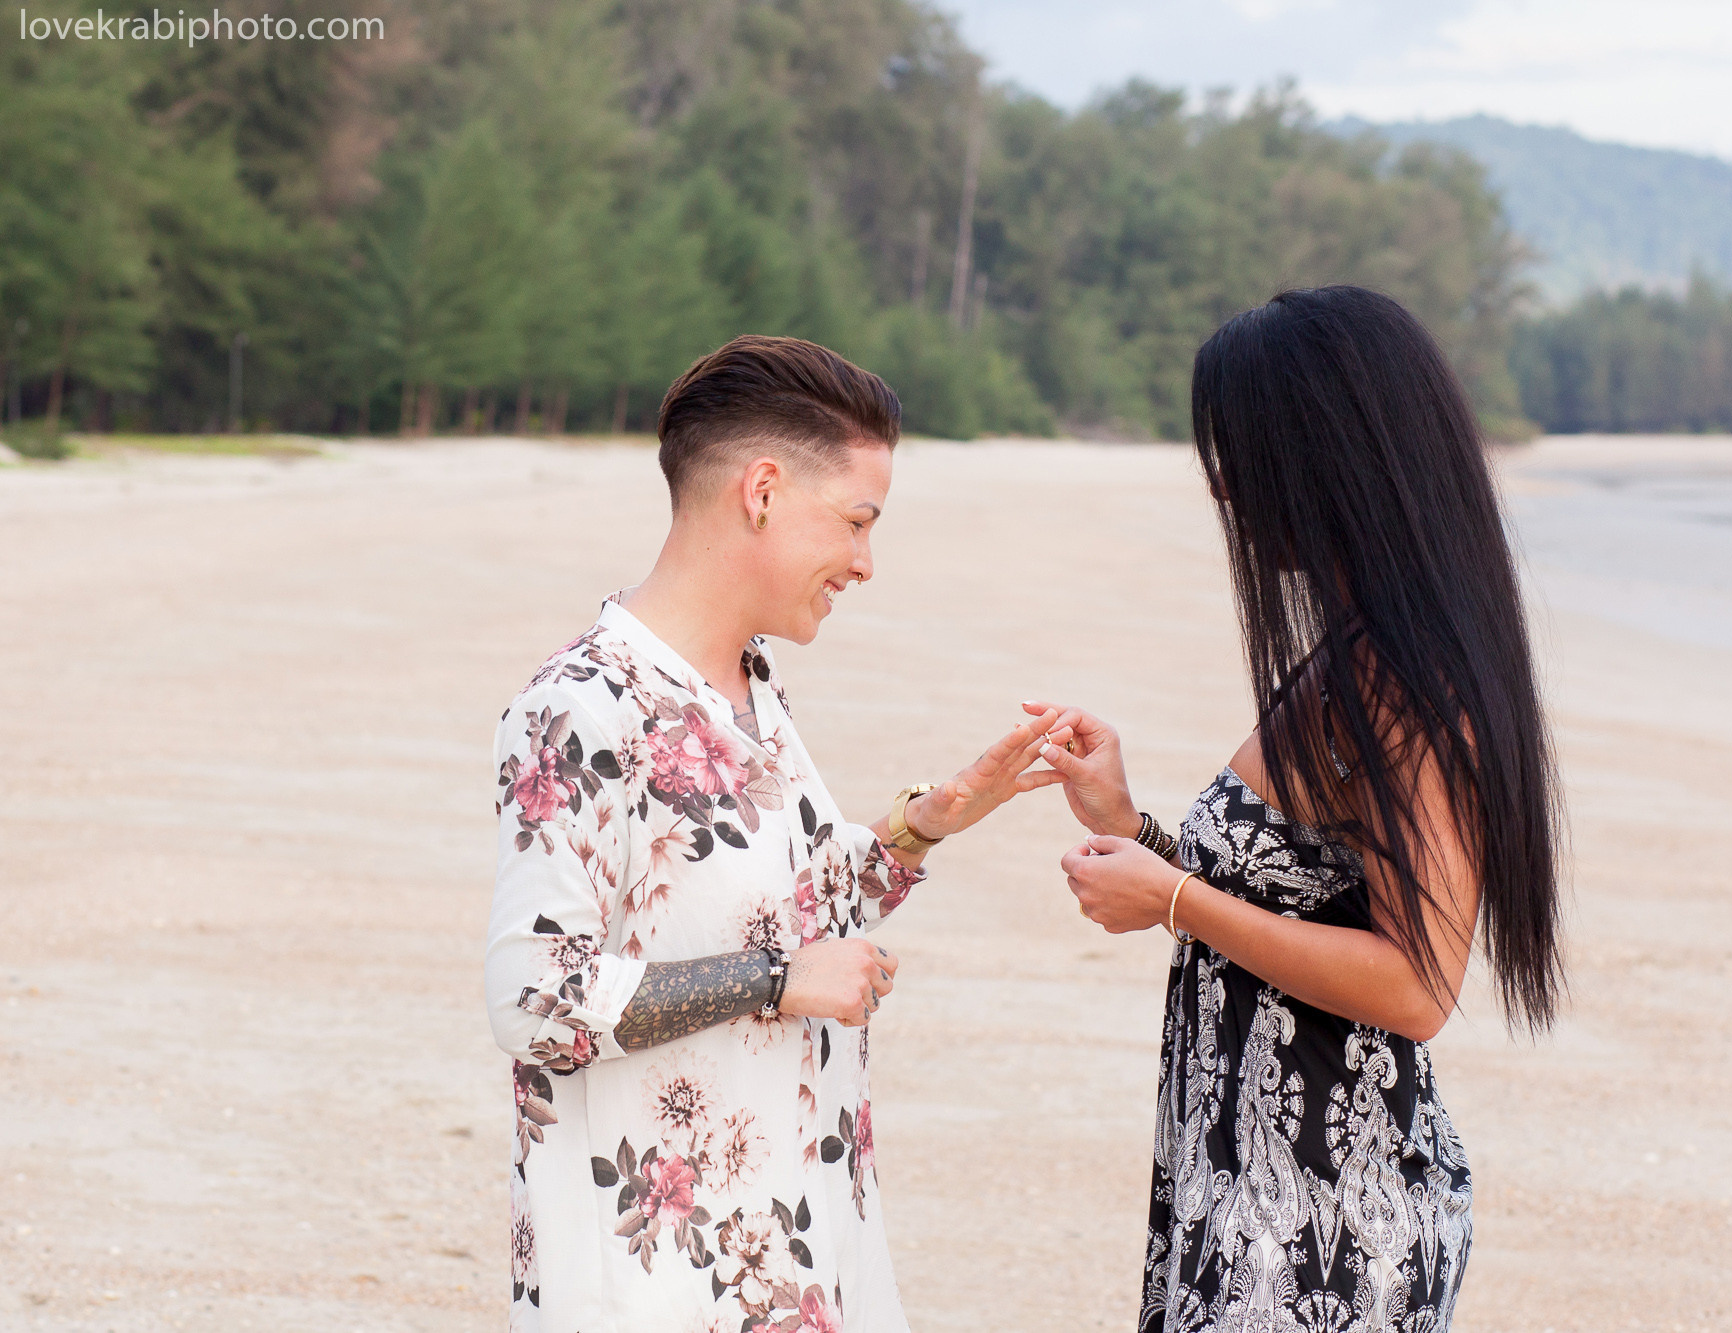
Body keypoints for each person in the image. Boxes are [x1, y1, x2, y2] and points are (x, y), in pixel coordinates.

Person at [486, 335, 1076, 1332]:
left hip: (794, 1250)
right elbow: (533, 995)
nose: (864, 562)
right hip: (656, 1284)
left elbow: (791, 907)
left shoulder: (747, 687)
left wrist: (924, 825)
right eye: (854, 521)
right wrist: (772, 979)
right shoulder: (582, 707)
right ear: (760, 491)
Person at [1030, 286, 1564, 1332]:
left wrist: (1176, 899)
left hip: (1323, 1218)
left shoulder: (1406, 681)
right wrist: (1135, 828)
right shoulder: (1354, 652)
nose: (1226, 489)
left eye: (1245, 454)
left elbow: (1415, 984)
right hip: (1249, 1179)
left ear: (1330, 461)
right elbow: (1300, 898)